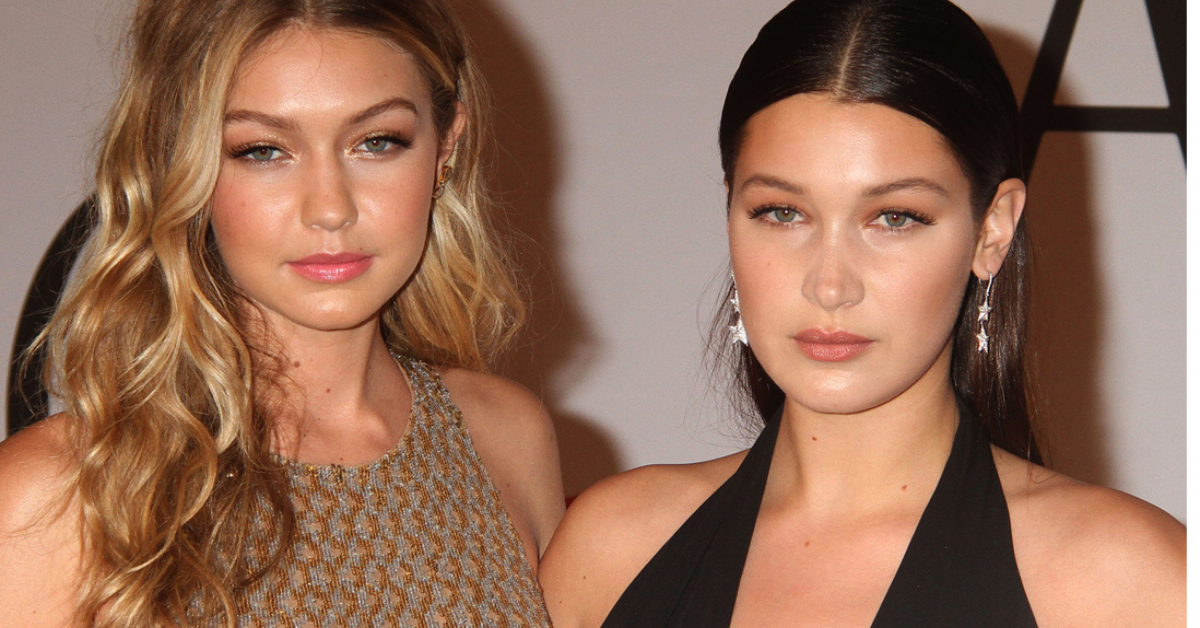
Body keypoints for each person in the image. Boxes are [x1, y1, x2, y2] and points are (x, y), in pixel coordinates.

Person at [538, 1, 1184, 626]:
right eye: (782, 213)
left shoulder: (1123, 580)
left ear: (992, 230)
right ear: (730, 212)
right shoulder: (615, 549)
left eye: (894, 217)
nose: (830, 285)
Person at [0, 0, 564, 626]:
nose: (330, 208)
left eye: (377, 142)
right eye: (264, 151)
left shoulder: (506, 438)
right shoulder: (55, 495)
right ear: (181, 163)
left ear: (446, 146)